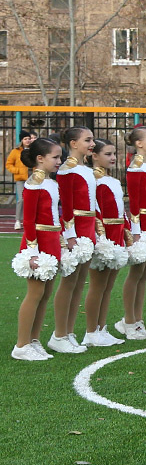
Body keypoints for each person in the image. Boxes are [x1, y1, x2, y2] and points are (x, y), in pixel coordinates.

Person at [10, 138, 63, 361]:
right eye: (55, 157)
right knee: (35, 294)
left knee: (45, 295)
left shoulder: (51, 182)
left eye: (60, 157)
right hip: (38, 243)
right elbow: (29, 221)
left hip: (51, 240)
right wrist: (32, 252)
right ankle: (21, 345)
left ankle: (34, 339)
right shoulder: (33, 184)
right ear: (40, 159)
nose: (60, 161)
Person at [49, 127, 99, 354]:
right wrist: (70, 236)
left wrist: (97, 229)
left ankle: (68, 332)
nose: (92, 143)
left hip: (88, 227)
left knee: (79, 283)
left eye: (92, 139)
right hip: (76, 228)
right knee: (69, 282)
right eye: (87, 140)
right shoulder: (67, 170)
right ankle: (58, 334)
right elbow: (66, 206)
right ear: (73, 143)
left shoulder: (85, 168)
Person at [118, 125, 146, 341]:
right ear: (138, 143)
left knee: (145, 274)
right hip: (143, 223)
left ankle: (138, 319)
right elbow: (134, 203)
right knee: (136, 274)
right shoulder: (135, 167)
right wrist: (136, 233)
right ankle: (128, 321)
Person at [82, 139, 128, 346]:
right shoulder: (94, 180)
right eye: (107, 154)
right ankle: (91, 331)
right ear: (95, 156)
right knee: (97, 285)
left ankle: (102, 328)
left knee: (108, 286)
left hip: (117, 233)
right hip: (104, 234)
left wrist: (126, 231)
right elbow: (93, 210)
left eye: (114, 154)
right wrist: (100, 238)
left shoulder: (112, 180)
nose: (112, 158)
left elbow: (120, 209)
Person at [6, 129, 36, 231]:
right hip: (21, 178)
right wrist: (17, 171)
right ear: (21, 140)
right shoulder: (16, 151)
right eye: (25, 139)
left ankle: (30, 220)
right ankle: (18, 220)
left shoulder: (34, 150)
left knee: (33, 199)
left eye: (29, 138)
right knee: (21, 200)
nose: (27, 140)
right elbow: (9, 164)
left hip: (33, 178)